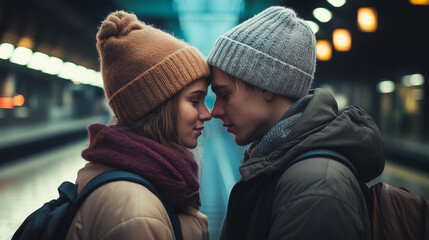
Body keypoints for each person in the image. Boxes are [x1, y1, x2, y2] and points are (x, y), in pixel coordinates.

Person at [207, 6, 385, 240]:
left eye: (225, 94)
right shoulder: (285, 167)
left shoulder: (317, 187)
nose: (214, 111)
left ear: (267, 85)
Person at [65, 11, 212, 240]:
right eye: (194, 100)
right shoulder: (136, 214)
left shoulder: (142, 184)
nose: (207, 113)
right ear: (156, 105)